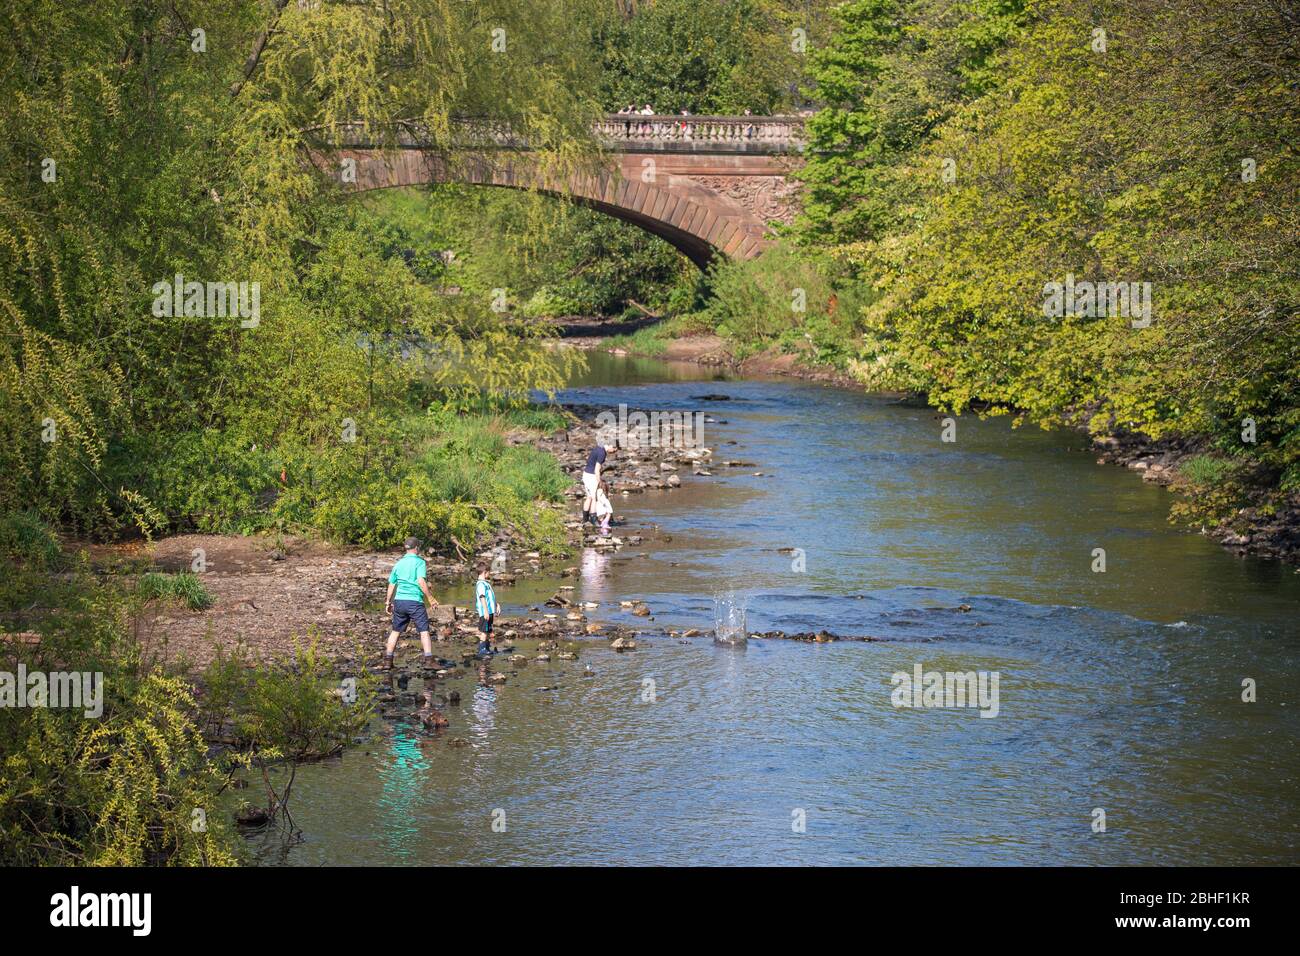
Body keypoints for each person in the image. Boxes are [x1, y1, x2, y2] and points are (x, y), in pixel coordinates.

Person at [383, 536, 439, 670]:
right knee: (424, 631)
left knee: (396, 631)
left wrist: (387, 602)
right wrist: (430, 598)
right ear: (417, 548)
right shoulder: (420, 562)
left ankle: (387, 661)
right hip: (414, 601)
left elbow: (392, 584)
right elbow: (421, 581)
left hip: (399, 601)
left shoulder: (398, 563)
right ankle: (429, 660)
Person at [474, 563, 500, 658]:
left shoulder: (486, 584)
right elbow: (482, 597)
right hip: (485, 612)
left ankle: (487, 647)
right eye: (489, 572)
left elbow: (490, 596)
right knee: (484, 631)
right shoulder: (481, 584)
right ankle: (481, 650)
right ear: (485, 572)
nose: (489, 574)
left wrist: (496, 604)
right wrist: (485, 611)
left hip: (489, 611)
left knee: (488, 630)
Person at [581, 441, 610, 525]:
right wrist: (599, 481)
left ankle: (585, 519)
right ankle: (593, 520)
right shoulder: (602, 453)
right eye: (615, 449)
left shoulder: (598, 447)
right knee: (594, 498)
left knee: (589, 497)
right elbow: (597, 469)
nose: (614, 452)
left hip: (586, 474)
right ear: (612, 446)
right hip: (591, 476)